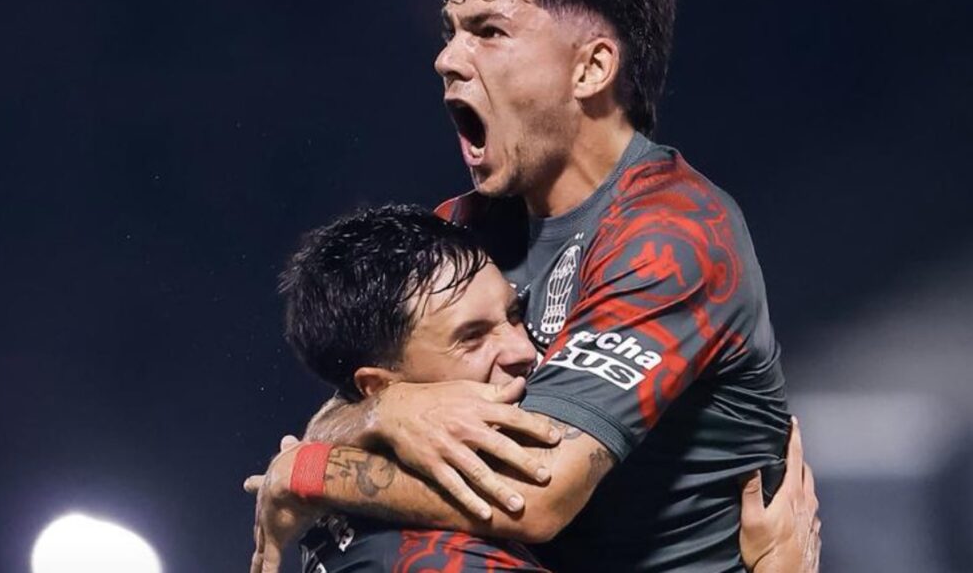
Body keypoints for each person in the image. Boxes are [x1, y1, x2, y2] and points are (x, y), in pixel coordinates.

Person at [250, 0, 815, 572]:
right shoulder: (458, 240)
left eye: (488, 31)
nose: (449, 59)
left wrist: (308, 475)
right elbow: (338, 414)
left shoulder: (672, 235)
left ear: (591, 67)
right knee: (349, 551)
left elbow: (532, 493)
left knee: (413, 558)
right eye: (450, 32)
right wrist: (380, 415)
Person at [245, 204, 819, 573]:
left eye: (514, 315)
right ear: (379, 383)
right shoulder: (438, 558)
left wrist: (323, 457)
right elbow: (535, 503)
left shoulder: (360, 510)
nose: (524, 350)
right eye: (472, 339)